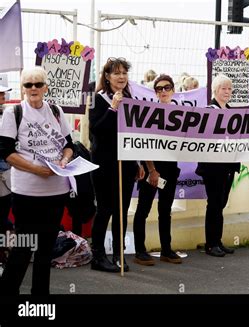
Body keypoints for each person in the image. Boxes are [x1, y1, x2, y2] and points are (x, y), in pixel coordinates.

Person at [0, 67, 74, 294]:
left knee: (45, 249)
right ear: (22, 88)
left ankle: (40, 298)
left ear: (45, 87)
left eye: (38, 84)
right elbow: (5, 151)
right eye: (28, 84)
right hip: (27, 194)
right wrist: (36, 169)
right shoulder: (13, 113)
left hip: (56, 191)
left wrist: (64, 160)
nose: (33, 88)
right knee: (23, 249)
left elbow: (69, 145)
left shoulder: (56, 111)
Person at [89, 57, 144, 273]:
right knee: (104, 210)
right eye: (116, 73)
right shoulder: (97, 99)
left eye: (124, 73)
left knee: (121, 211)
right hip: (104, 165)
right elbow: (97, 130)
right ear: (107, 77)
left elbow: (134, 133)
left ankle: (119, 254)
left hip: (126, 164)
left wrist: (138, 161)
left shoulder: (130, 99)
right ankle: (98, 256)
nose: (121, 77)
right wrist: (113, 108)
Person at [133, 74, 182, 266]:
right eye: (159, 88)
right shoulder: (150, 113)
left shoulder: (180, 114)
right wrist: (152, 170)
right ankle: (139, 251)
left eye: (167, 87)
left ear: (173, 90)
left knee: (165, 210)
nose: (163, 91)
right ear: (155, 92)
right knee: (143, 210)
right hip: (152, 169)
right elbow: (145, 144)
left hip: (171, 169)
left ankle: (166, 250)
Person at [195, 74, 240, 257]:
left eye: (229, 88)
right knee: (213, 203)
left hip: (228, 166)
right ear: (215, 90)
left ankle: (217, 241)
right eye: (224, 88)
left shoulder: (231, 111)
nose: (227, 92)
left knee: (221, 204)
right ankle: (210, 243)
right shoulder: (208, 110)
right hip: (213, 167)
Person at [0, 85, 13, 265]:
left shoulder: (8, 115)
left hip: (6, 174)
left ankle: (2, 254)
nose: (3, 96)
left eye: (3, 93)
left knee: (3, 215)